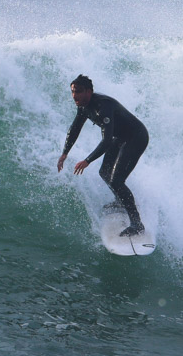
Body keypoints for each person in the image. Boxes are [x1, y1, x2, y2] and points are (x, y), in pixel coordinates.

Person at [57, 75, 148, 236]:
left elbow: (106, 141)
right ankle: (120, 202)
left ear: (89, 92)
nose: (74, 96)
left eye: (78, 92)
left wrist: (87, 160)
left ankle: (137, 223)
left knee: (117, 180)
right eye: (72, 92)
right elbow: (75, 128)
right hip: (120, 137)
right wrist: (65, 153)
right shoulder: (83, 106)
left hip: (136, 137)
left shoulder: (103, 106)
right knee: (104, 172)